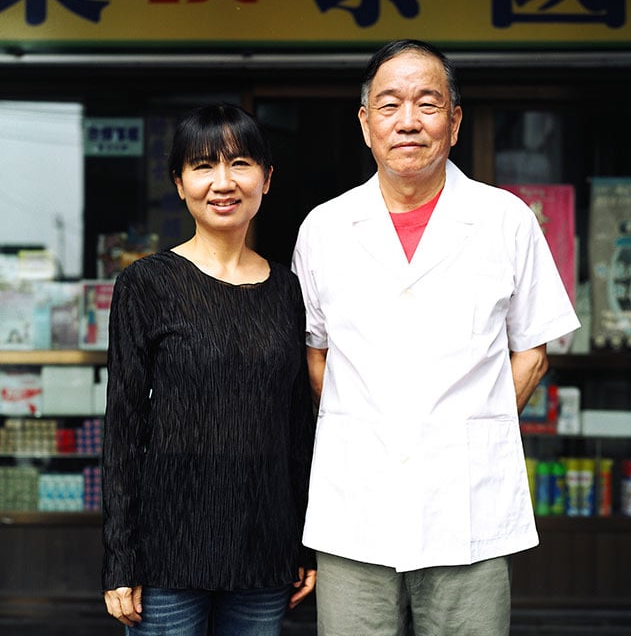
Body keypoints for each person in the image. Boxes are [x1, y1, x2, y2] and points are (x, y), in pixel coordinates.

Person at [292, 40, 580, 636]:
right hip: (356, 505)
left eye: (428, 103)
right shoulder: (324, 228)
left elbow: (532, 351)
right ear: (365, 122)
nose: (408, 121)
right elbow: (314, 352)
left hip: (466, 503)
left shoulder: (506, 219)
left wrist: (467, 426)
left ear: (454, 123)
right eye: (390, 103)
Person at [102, 104, 317, 636]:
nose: (223, 182)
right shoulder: (146, 284)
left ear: (266, 179)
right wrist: (119, 559)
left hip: (264, 552)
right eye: (202, 166)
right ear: (179, 183)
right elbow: (124, 430)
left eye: (240, 163)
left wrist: (304, 544)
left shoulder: (289, 291)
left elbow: (298, 428)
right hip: (167, 555)